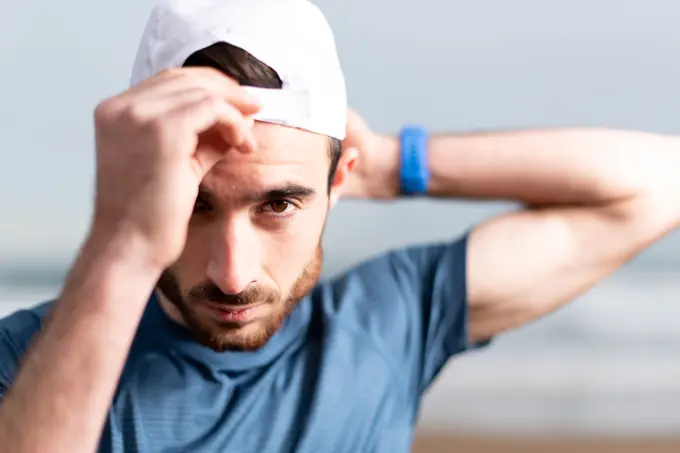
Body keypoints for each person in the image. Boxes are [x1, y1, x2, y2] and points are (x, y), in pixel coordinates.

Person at [0, 0, 679, 451]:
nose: (232, 273)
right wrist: (121, 241)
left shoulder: (384, 327)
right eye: (194, 204)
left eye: (279, 204)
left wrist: (394, 164)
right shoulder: (25, 364)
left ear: (338, 182)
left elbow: (660, 184)